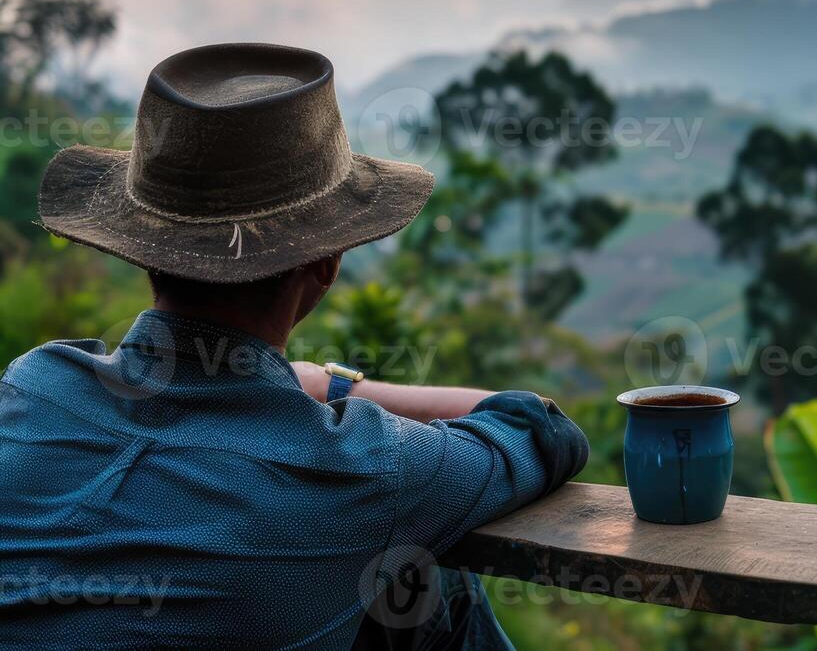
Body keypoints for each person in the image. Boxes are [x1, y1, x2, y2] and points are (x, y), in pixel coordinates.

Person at [0, 43, 588, 649]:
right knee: (422, 578)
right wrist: (335, 386)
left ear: (143, 252)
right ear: (328, 264)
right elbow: (542, 428)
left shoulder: (29, 388)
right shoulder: (360, 467)